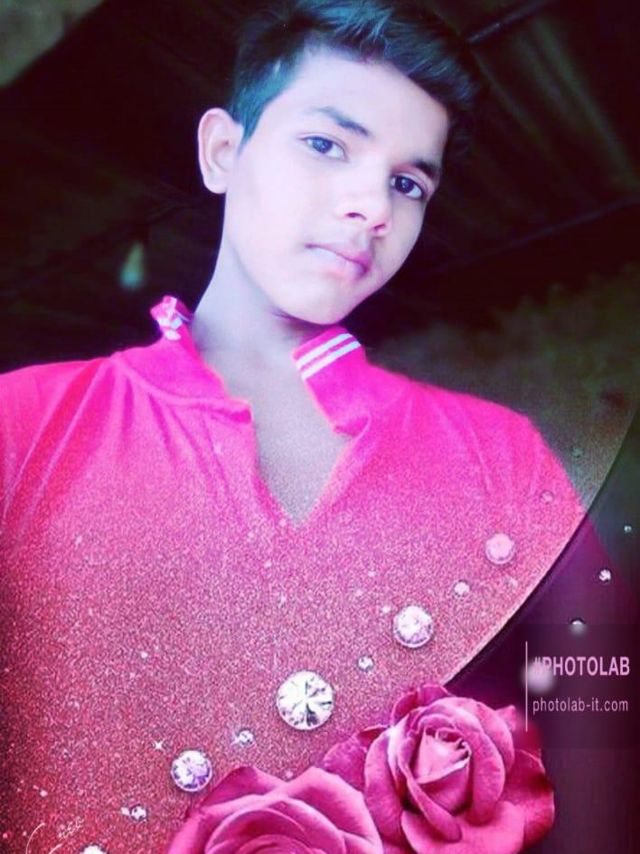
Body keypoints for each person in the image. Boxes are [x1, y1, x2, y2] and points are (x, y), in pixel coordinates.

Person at [0, 1, 585, 851]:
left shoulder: (504, 456)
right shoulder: (20, 424)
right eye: (326, 144)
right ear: (222, 152)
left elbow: (599, 750)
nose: (373, 206)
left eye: (408, 183)